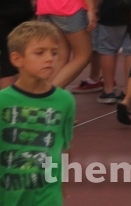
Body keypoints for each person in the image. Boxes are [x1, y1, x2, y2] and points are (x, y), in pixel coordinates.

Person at [0, 21, 76, 206]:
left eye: (54, 52)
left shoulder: (65, 101)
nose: (50, 58)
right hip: (9, 196)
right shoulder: (3, 101)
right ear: (18, 59)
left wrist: (61, 184)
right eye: (40, 53)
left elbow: (64, 147)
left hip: (47, 197)